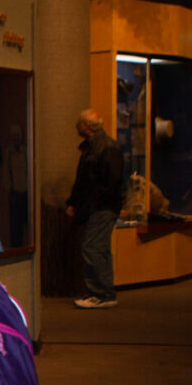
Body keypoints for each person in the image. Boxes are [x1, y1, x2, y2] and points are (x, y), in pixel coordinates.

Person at [65, 108, 124, 309]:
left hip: (102, 207)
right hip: (100, 206)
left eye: (78, 124)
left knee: (92, 248)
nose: (76, 128)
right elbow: (85, 180)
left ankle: (100, 293)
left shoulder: (103, 148)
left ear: (85, 126)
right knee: (100, 249)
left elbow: (108, 182)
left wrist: (89, 203)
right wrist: (74, 201)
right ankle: (106, 292)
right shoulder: (98, 146)